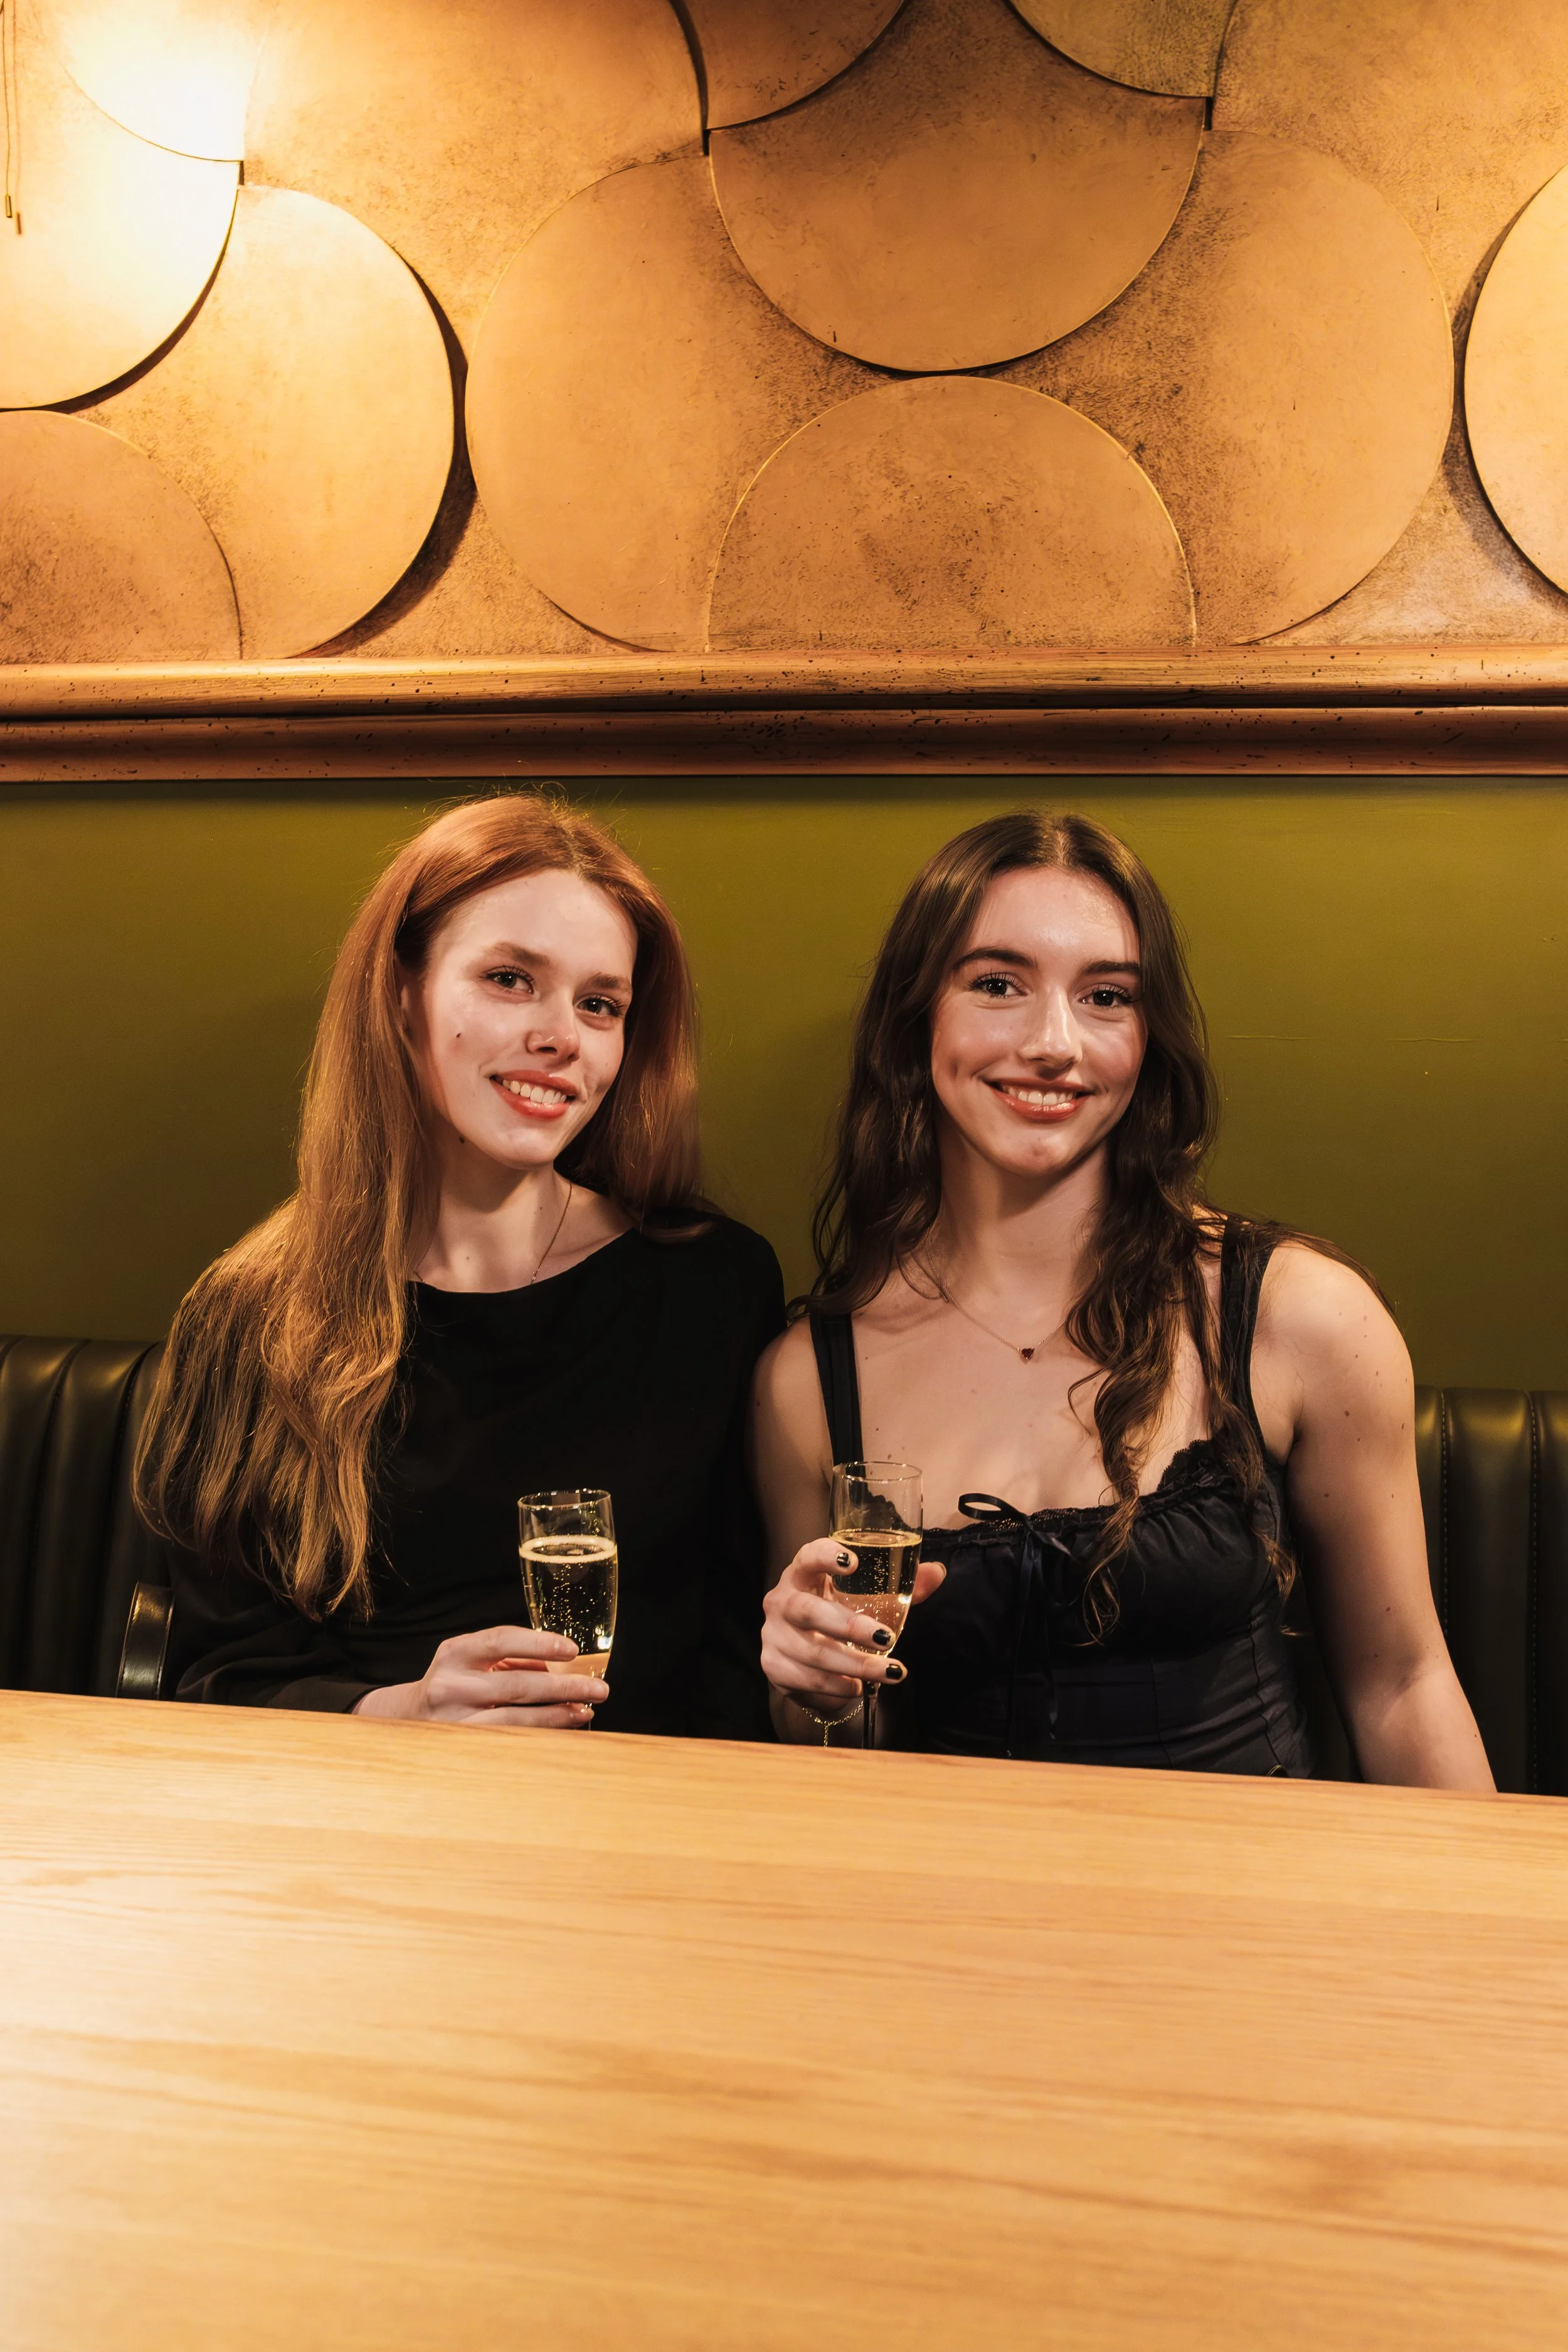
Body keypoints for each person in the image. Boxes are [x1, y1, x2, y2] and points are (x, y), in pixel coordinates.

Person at [753, 811, 1493, 1788]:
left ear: (1149, 1040)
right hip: (954, 1914)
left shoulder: (1299, 1316)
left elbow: (1403, 1685)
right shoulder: (808, 1377)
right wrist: (816, 1690)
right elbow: (834, 1758)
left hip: (1250, 1907)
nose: (1054, 1043)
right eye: (997, 985)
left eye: (1106, 996)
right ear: (914, 1019)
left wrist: (1485, 1938)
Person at [137, 792, 783, 1737]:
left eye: (599, 1003)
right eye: (511, 979)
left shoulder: (713, 1285)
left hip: (653, 1830)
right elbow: (211, 1679)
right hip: (367, 1833)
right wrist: (406, 1713)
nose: (561, 1034)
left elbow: (738, 1661)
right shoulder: (250, 1313)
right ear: (403, 997)